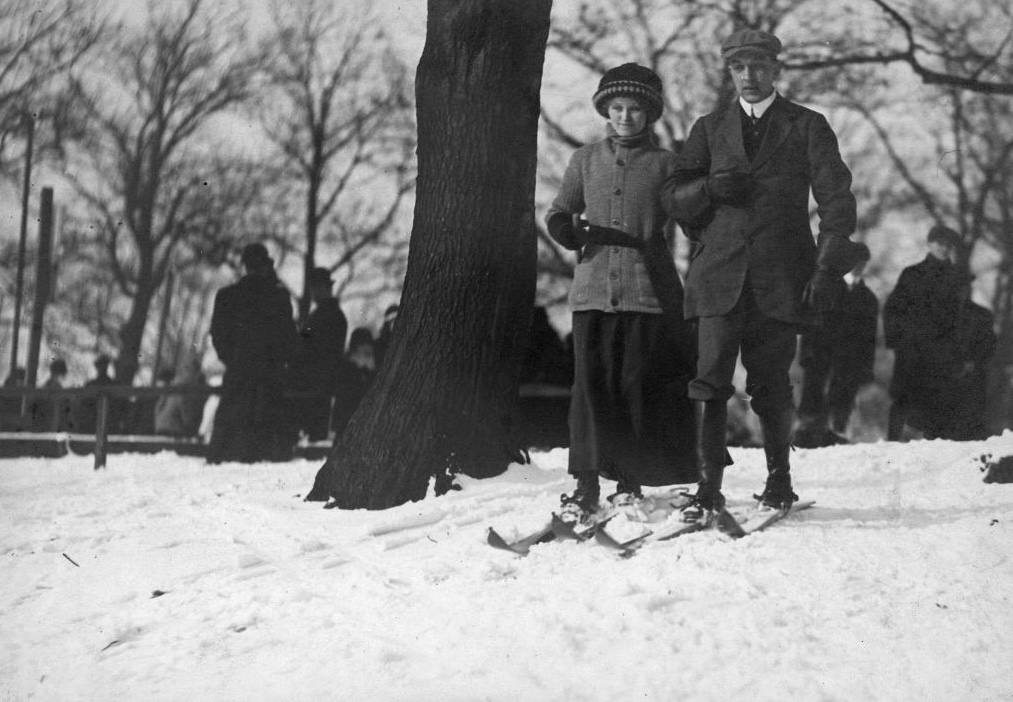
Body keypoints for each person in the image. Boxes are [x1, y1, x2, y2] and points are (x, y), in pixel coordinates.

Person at [664, 29, 860, 520]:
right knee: (708, 382)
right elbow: (673, 197)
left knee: (771, 383)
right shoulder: (709, 129)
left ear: (775, 69)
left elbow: (837, 201)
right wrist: (707, 189)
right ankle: (708, 487)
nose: (748, 77)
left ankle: (779, 482)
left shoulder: (808, 125)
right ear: (728, 73)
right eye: (738, 68)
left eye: (758, 66)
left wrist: (827, 269)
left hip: (783, 277)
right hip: (719, 276)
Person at [545, 62, 701, 523]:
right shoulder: (584, 159)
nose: (625, 117)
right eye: (617, 108)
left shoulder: (666, 164)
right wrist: (565, 229)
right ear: (605, 110)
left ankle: (629, 481)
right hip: (592, 288)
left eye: (635, 109)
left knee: (635, 387)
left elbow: (688, 215)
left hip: (645, 289)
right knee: (590, 389)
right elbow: (560, 210)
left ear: (649, 113)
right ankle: (585, 484)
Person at [208, 243, 299, 462]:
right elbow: (289, 339)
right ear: (266, 265)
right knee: (270, 453)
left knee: (228, 448)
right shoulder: (278, 297)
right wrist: (276, 361)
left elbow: (218, 336)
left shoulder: (226, 296)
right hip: (270, 379)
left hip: (238, 377)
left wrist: (234, 359)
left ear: (245, 265)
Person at [884, 224, 965, 441]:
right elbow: (893, 308)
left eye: (949, 245)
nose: (944, 248)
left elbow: (961, 317)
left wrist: (958, 350)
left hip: (942, 350)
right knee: (903, 396)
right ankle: (891, 443)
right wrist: (899, 341)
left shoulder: (957, 278)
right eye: (940, 243)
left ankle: (934, 449)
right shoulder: (912, 274)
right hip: (912, 349)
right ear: (929, 244)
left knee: (939, 400)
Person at [795, 242, 879, 447]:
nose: (858, 266)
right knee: (813, 395)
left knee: (843, 398)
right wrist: (806, 351)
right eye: (854, 262)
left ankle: (836, 431)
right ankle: (807, 432)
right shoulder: (825, 288)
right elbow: (810, 323)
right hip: (820, 352)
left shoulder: (868, 298)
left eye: (862, 262)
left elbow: (869, 337)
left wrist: (867, 367)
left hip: (850, 358)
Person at [293, 267, 348, 441]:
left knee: (316, 434)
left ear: (325, 288)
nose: (313, 292)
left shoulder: (325, 316)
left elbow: (307, 345)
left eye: (316, 288)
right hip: (317, 381)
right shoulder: (324, 315)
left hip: (318, 382)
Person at [941, 273, 996, 440]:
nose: (961, 292)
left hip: (973, 376)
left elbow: (989, 344)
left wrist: (973, 363)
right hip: (945, 376)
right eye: (957, 289)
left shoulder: (982, 315)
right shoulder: (939, 317)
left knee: (971, 425)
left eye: (965, 288)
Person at [331, 327, 377, 435]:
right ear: (356, 350)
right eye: (367, 353)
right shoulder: (347, 370)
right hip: (346, 419)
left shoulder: (361, 371)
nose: (370, 357)